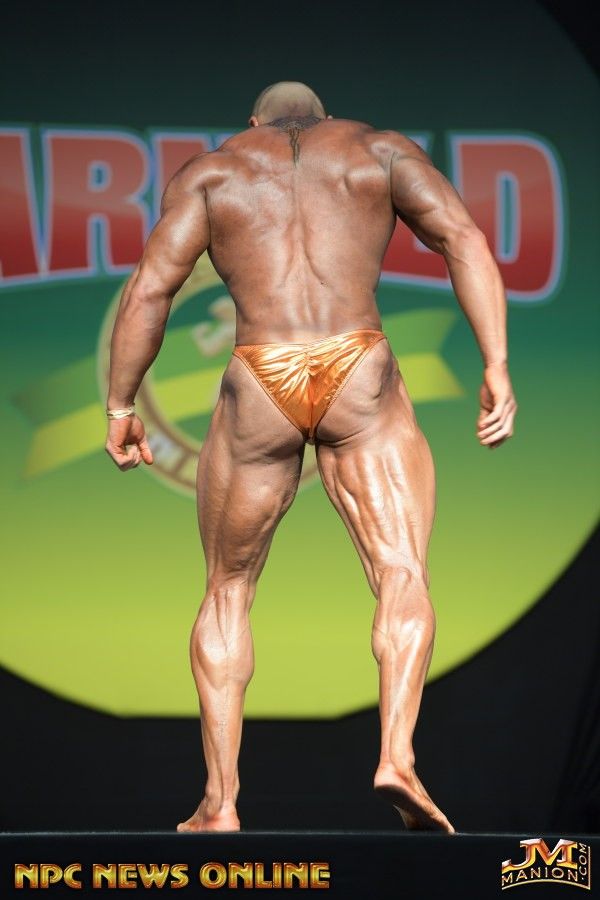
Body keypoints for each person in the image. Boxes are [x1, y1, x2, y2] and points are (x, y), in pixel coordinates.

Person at [105, 81, 517, 834]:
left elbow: (150, 291)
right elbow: (463, 238)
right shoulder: (378, 150)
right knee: (401, 571)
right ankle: (397, 757)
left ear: (253, 122)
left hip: (261, 369)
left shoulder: (212, 172)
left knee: (228, 590)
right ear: (324, 118)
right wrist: (496, 364)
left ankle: (220, 803)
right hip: (357, 365)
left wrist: (120, 406)